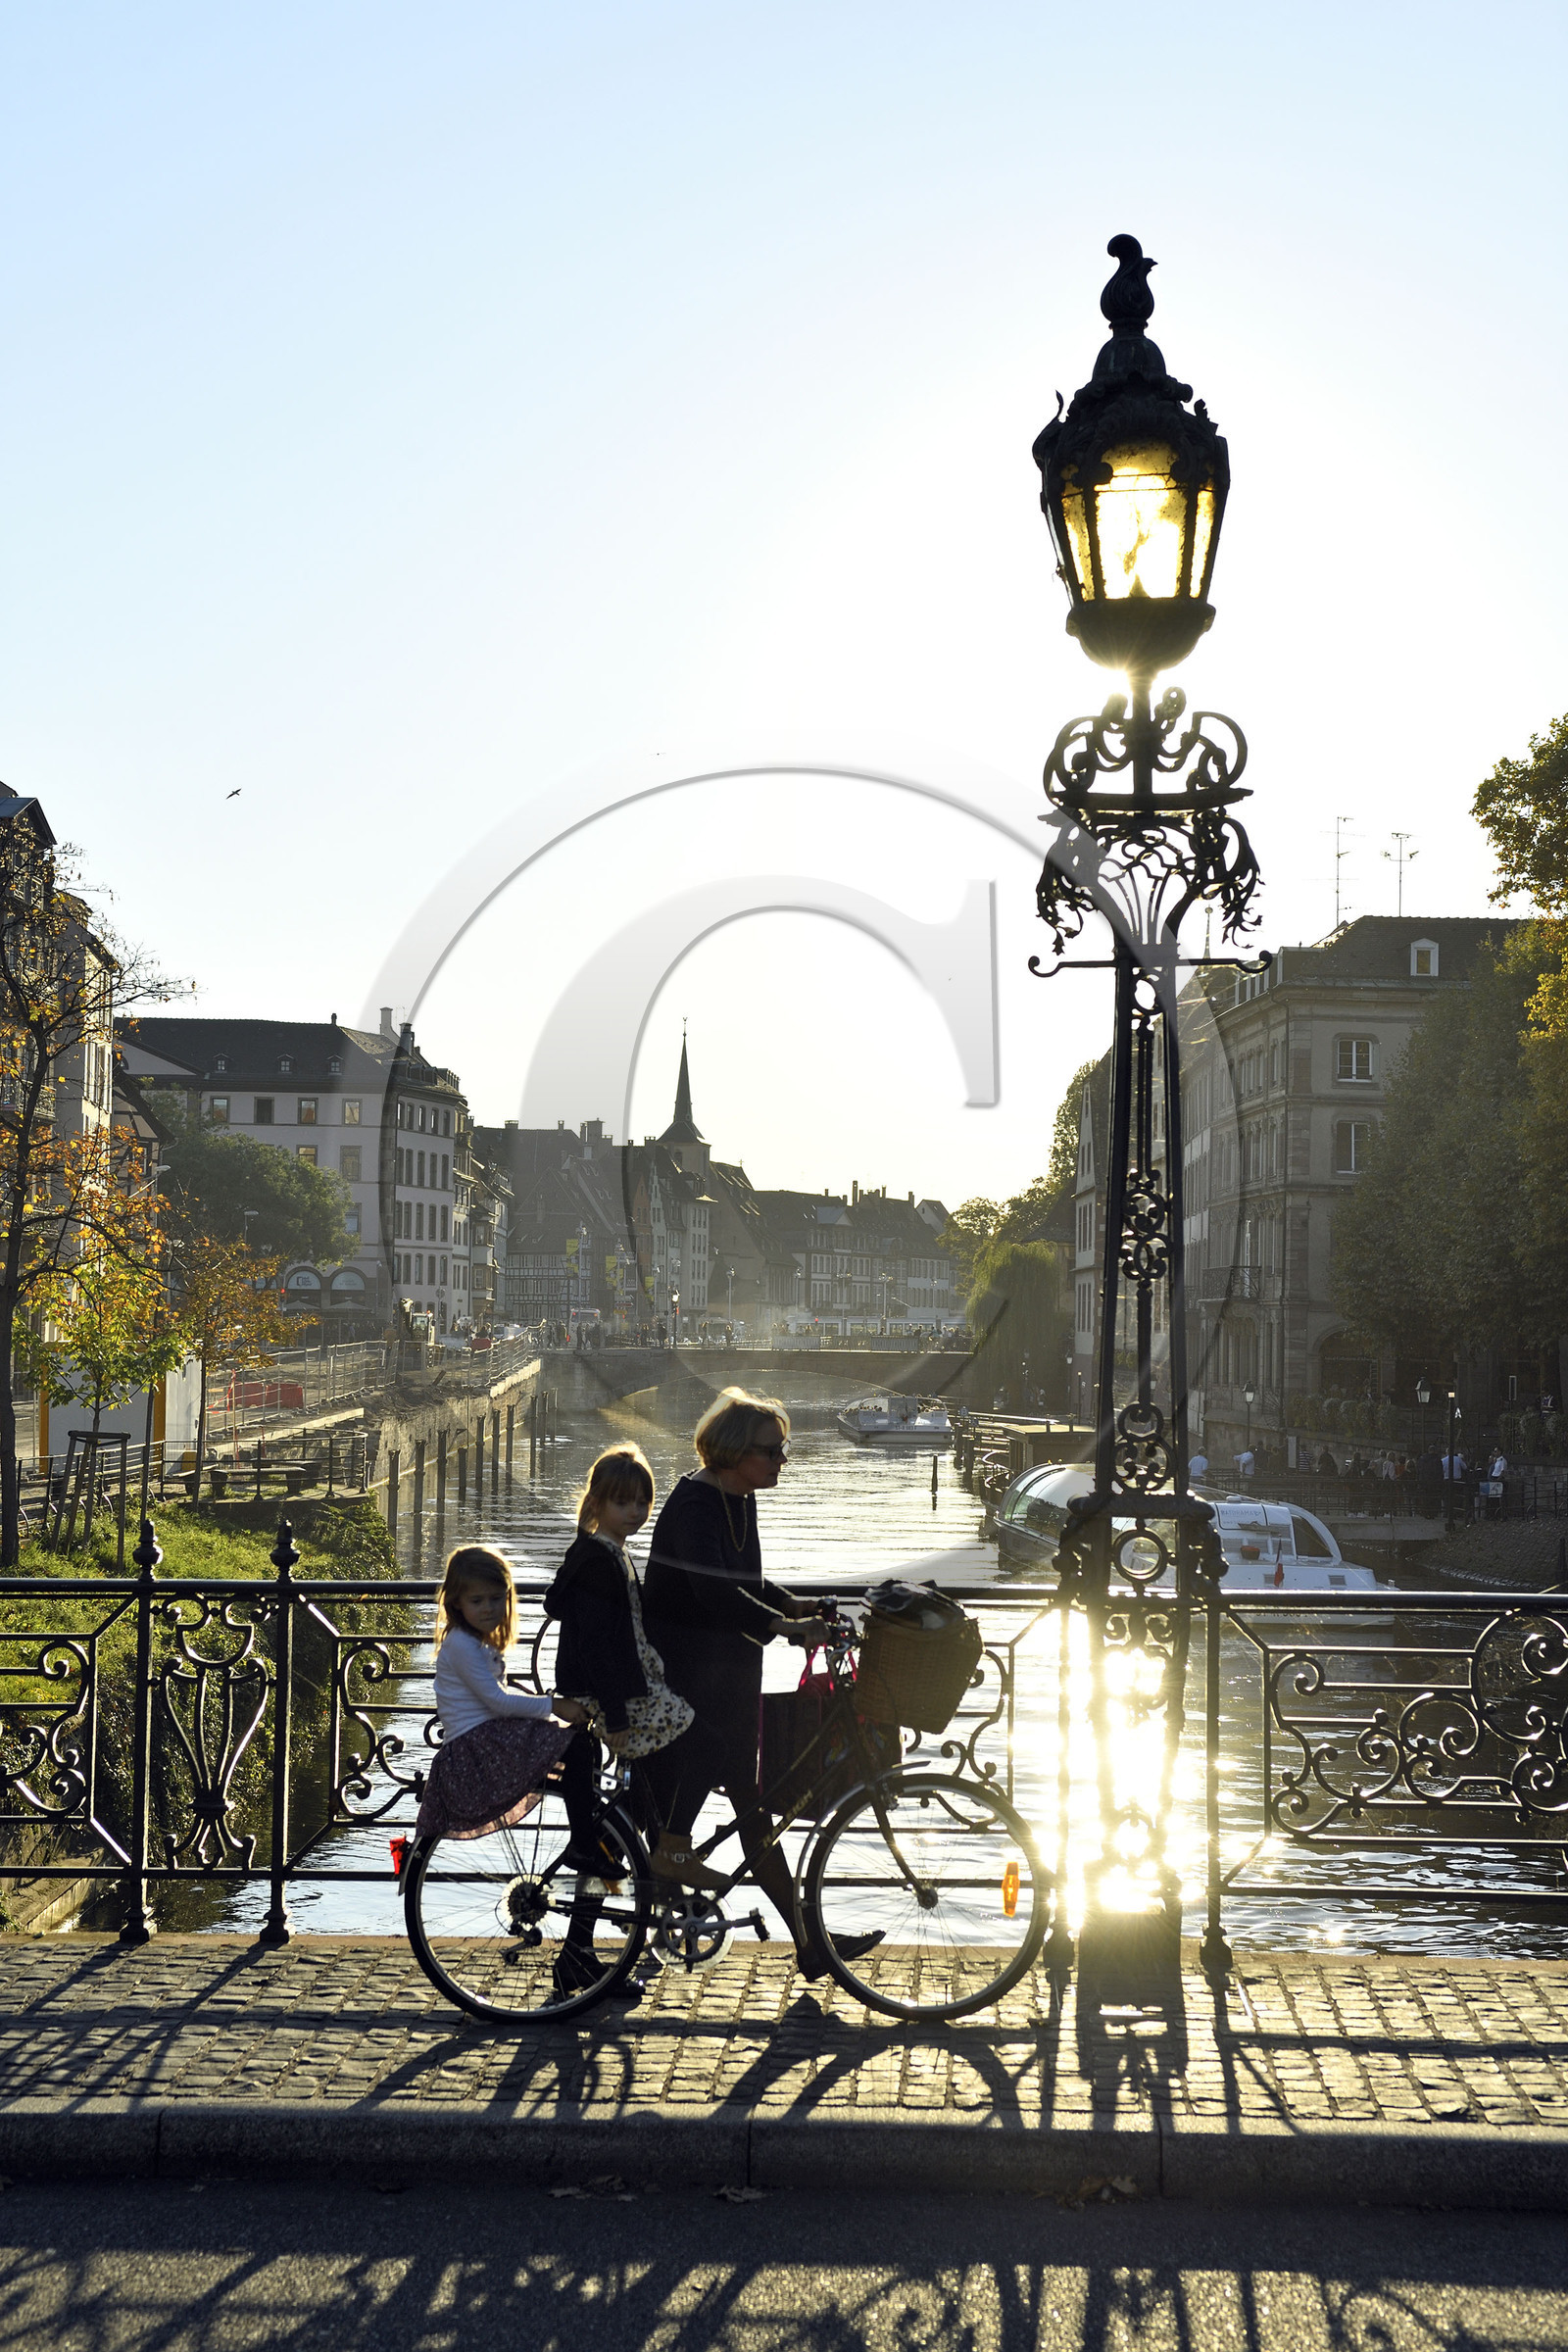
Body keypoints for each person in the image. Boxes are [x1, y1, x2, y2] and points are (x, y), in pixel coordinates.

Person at [641, 1387, 883, 1981]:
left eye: (783, 1451)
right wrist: (782, 1626)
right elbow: (711, 1591)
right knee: (673, 1816)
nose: (781, 1462)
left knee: (753, 1810)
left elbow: (745, 1577)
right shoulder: (695, 1504)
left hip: (729, 1670)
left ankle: (809, 1943)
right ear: (731, 1452)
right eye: (771, 1452)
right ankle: (605, 1945)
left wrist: (796, 1605)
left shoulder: (736, 1496)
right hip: (690, 1674)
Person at [545, 1443, 702, 1884]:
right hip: (608, 1690)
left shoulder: (609, 1551)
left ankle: (613, 1845)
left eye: (642, 1501)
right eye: (623, 1502)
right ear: (598, 1503)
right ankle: (610, 1846)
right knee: (692, 1736)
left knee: (657, 1775)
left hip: (618, 1683)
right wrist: (615, 1711)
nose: (635, 1511)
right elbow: (598, 1645)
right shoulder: (599, 1560)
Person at [417, 1545, 587, 1846]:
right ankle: (585, 1843)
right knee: (577, 1749)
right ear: (457, 1603)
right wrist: (553, 1705)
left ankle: (591, 1834)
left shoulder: (475, 1642)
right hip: (477, 1748)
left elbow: (494, 1700)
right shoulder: (461, 1645)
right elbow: (498, 1701)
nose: (488, 1608)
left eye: (496, 1599)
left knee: (581, 1749)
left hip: (487, 1738)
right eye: (477, 1600)